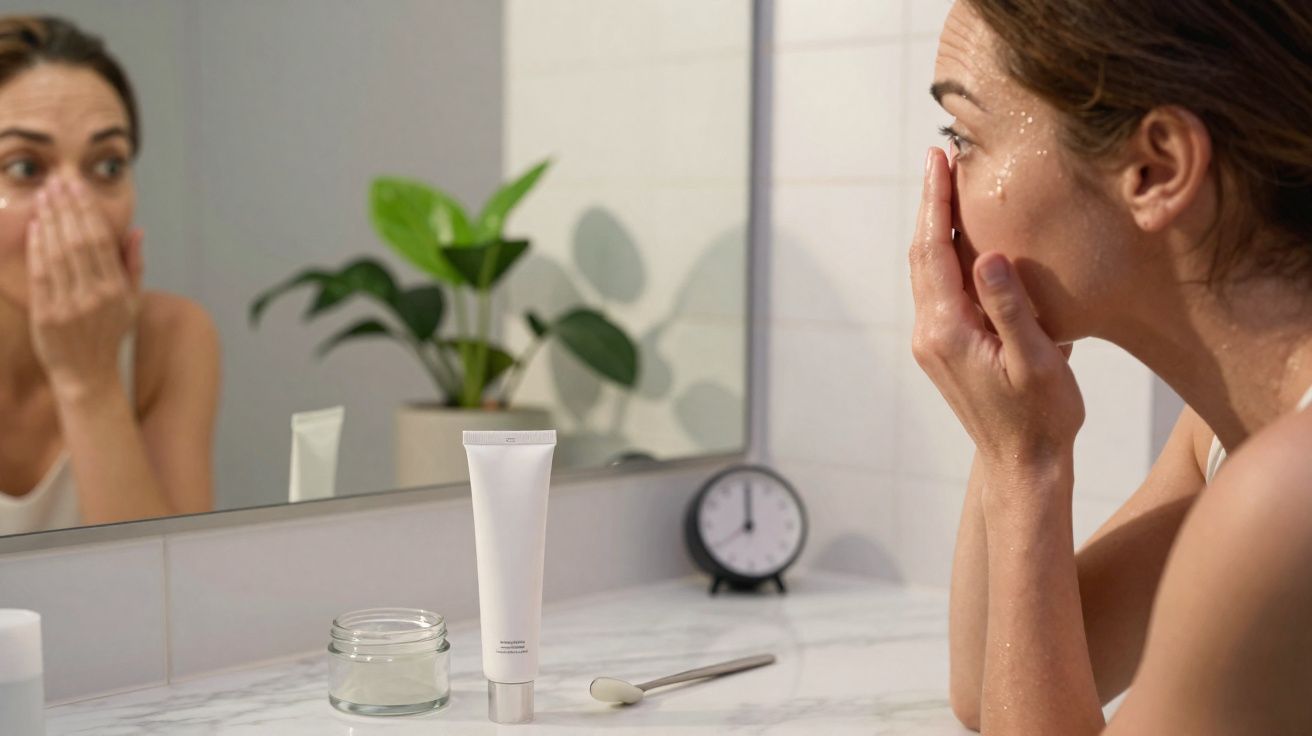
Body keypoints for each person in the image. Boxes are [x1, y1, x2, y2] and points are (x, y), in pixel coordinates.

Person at [910, 1, 1312, 732]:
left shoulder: (1289, 492)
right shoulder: (1230, 434)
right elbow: (988, 686)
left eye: (962, 138)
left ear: (1156, 168)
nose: (945, 207)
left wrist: (1026, 465)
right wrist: (1010, 434)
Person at [0, 16, 218, 534]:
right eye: (26, 168)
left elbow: (171, 594)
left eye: (108, 166)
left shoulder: (173, 339)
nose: (79, 208)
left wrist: (91, 380)